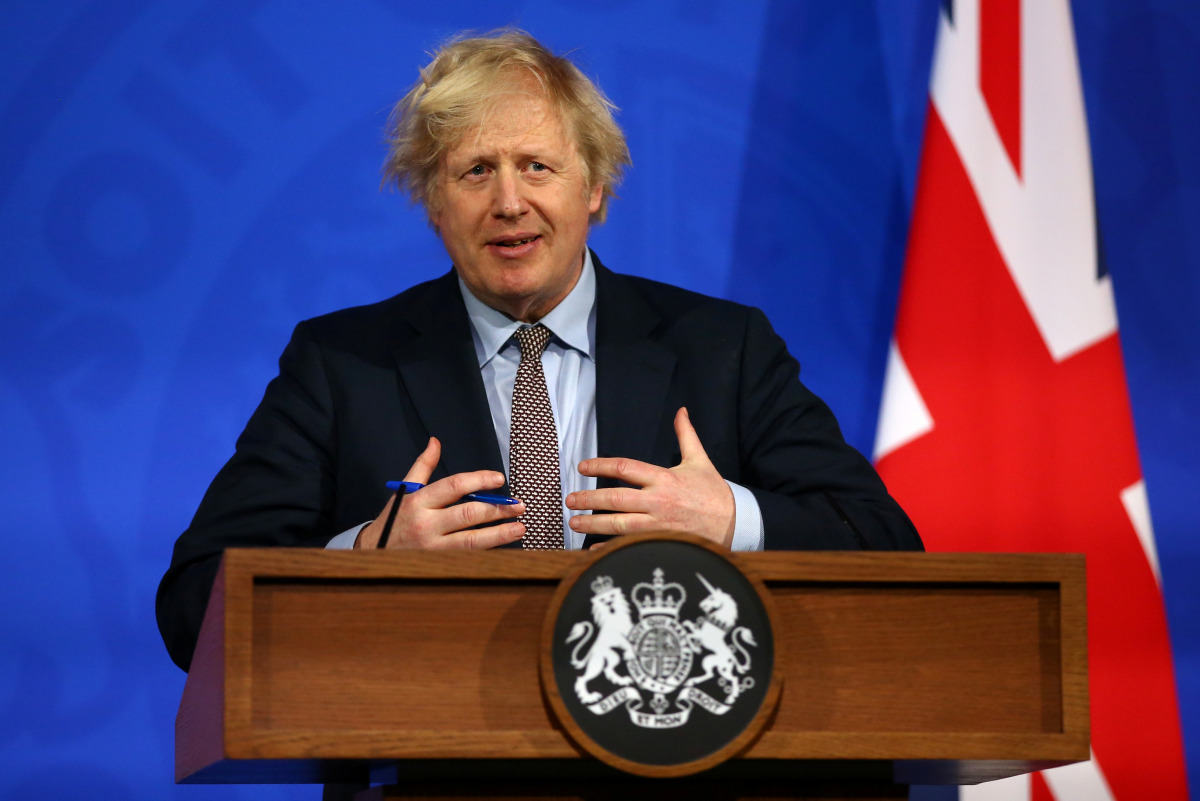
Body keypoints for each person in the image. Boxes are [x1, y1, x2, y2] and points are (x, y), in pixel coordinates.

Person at [156, 29, 922, 673]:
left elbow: (889, 547)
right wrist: (366, 556)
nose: (509, 202)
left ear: (594, 188)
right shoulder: (342, 364)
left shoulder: (722, 348)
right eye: (475, 171)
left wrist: (730, 518)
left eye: (537, 166)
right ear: (432, 202)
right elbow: (194, 609)